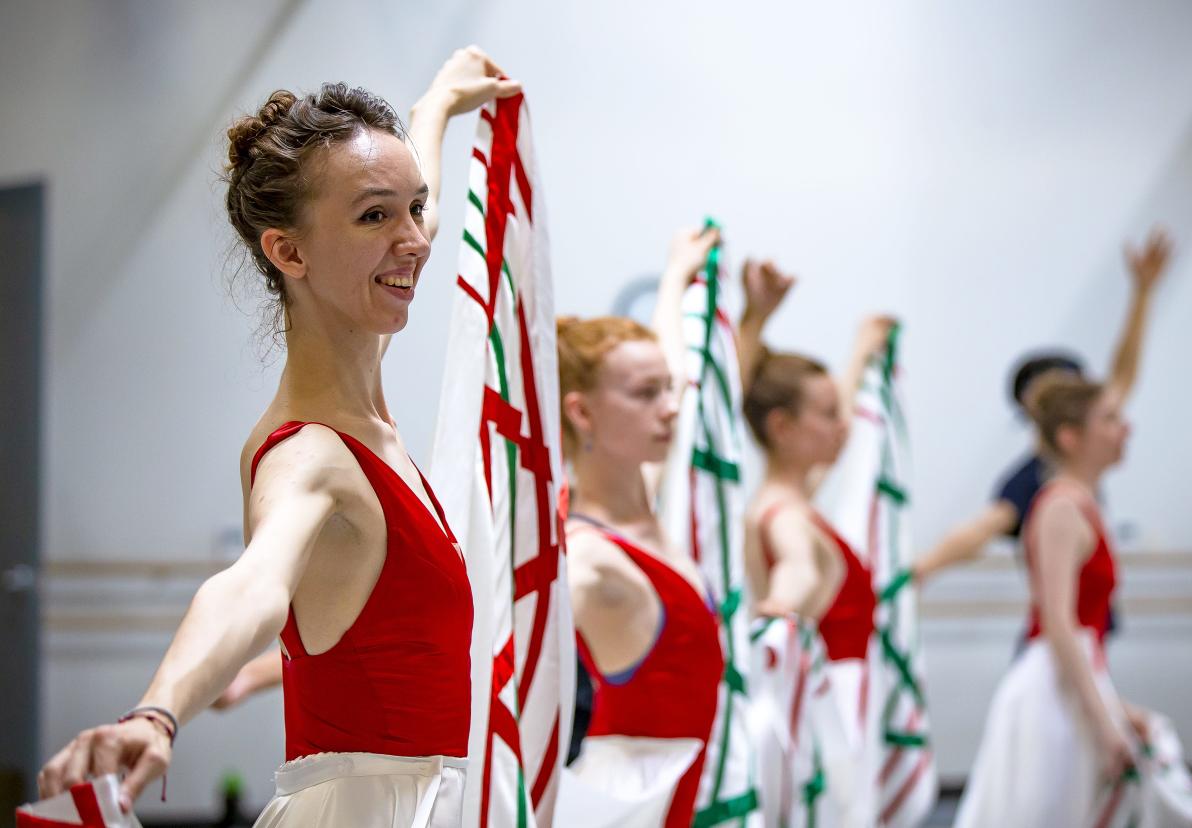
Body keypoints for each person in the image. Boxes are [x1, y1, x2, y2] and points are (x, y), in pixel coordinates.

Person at [36, 47, 520, 826]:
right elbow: (251, 585)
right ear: (288, 251)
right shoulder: (309, 456)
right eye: (375, 216)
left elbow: (412, 218)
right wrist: (157, 712)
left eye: (416, 208)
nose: (417, 240)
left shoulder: (361, 396)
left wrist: (434, 107)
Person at [556, 227, 725, 827]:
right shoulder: (586, 556)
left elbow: (675, 362)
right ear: (581, 412)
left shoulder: (643, 497)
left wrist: (677, 275)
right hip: (635, 796)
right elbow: (482, 638)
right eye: (647, 394)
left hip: (695, 783)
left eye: (670, 391)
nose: (672, 407)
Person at [914, 228, 1173, 582]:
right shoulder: (1038, 479)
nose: (1121, 428)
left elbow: (1122, 377)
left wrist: (1143, 293)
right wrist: (918, 571)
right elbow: (980, 529)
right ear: (1066, 430)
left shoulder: (1074, 464)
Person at [737, 260, 894, 825]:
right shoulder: (782, 515)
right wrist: (785, 601)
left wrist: (861, 351)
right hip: (833, 705)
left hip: (843, 692)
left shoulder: (796, 495)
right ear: (783, 427)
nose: (843, 425)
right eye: (828, 416)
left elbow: (839, 410)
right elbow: (797, 567)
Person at [953, 375, 1150, 826]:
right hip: (1050, 690)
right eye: (1110, 419)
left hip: (1068, 679)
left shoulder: (1081, 501)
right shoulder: (1061, 507)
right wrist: (1103, 720)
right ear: (1070, 436)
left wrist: (1114, 707)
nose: (1126, 429)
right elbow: (1058, 622)